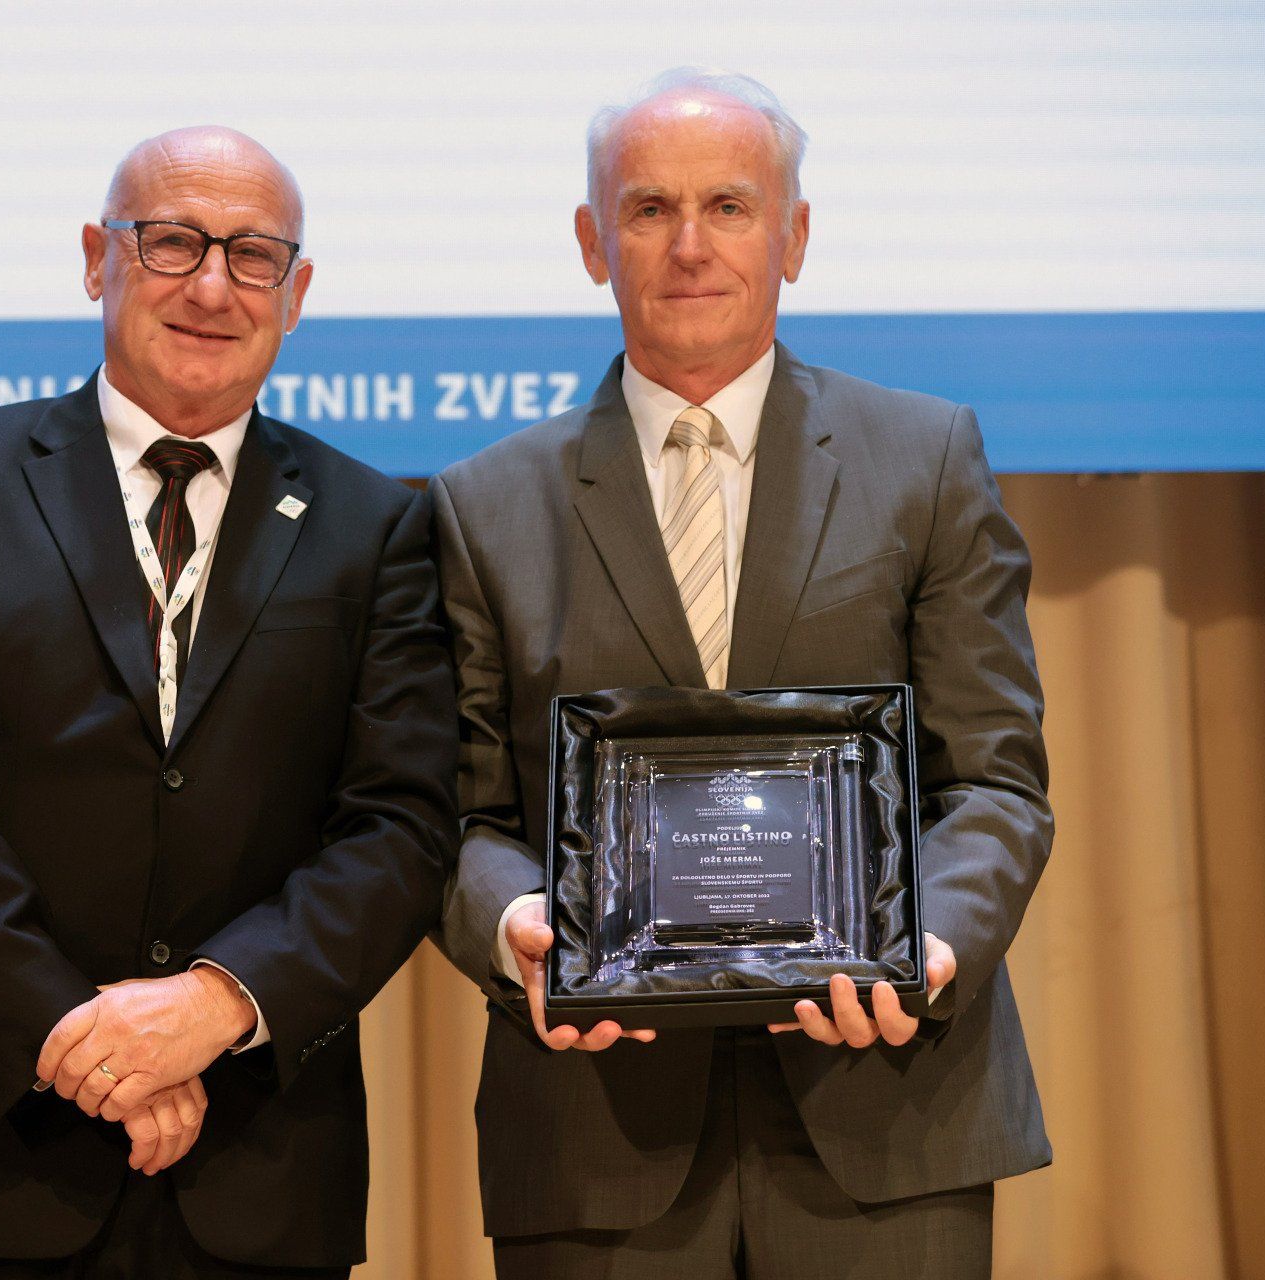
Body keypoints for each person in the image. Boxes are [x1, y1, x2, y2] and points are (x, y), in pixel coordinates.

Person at [431, 69, 1052, 1277]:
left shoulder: (925, 458)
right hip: (595, 1130)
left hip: (891, 1107)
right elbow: (457, 811)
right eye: (649, 208)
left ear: (794, 236)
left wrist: (926, 938)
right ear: (591, 241)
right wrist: (518, 924)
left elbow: (995, 781)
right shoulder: (484, 503)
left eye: (728, 205)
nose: (690, 245)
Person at [0, 125, 456, 1280]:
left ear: (297, 291)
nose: (212, 286)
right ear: (95, 258)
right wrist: (71, 1031)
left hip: (253, 1174)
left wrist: (215, 1004)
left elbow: (402, 822)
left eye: (252, 255)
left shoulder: (377, 524)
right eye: (171, 242)